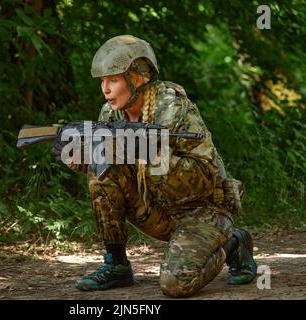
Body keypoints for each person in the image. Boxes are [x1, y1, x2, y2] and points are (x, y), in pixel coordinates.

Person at [53, 35, 257, 297]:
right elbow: (109, 174)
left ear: (139, 78)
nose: (105, 89)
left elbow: (205, 177)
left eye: (113, 80)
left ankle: (234, 242)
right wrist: (80, 159)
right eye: (103, 81)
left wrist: (151, 155)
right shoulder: (111, 113)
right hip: (156, 210)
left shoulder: (174, 109)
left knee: (176, 284)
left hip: (201, 211)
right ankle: (116, 264)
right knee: (101, 172)